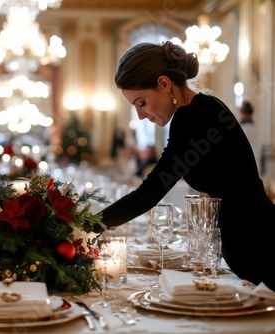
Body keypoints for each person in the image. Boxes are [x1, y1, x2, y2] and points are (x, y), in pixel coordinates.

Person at [100, 41, 275, 290]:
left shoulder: (191, 116)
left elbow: (149, 193)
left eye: (141, 103)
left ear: (163, 83)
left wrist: (87, 226)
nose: (141, 115)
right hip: (253, 229)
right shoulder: (206, 106)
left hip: (255, 240)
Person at [239, 101, 261, 174]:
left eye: (241, 111)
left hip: (246, 168)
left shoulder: (244, 128)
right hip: (255, 167)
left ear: (243, 112)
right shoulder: (255, 127)